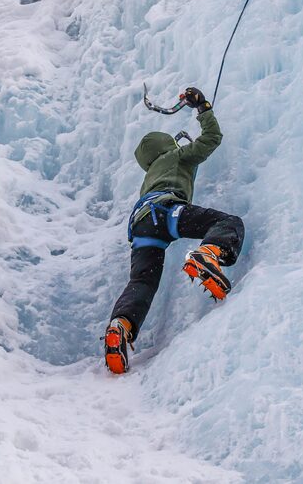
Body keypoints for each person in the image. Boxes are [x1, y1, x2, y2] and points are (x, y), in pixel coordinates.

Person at [104, 87, 245, 374]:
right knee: (228, 224)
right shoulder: (176, 156)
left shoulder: (152, 172)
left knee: (142, 283)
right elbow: (211, 140)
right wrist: (203, 108)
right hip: (165, 212)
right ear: (166, 145)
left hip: (141, 226)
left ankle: (121, 326)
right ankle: (208, 254)